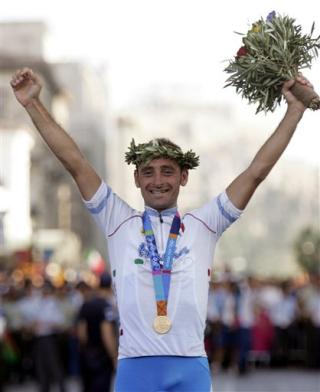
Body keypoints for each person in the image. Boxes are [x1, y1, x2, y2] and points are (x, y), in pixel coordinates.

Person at [10, 67, 314, 391]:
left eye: (167, 171)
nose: (158, 181)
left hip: (191, 369)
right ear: (136, 179)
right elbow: (75, 162)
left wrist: (294, 111)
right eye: (148, 172)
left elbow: (255, 172)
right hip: (134, 370)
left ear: (183, 177)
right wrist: (33, 104)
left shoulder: (204, 224)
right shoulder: (118, 220)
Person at [77, 272, 118, 392]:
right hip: (102, 357)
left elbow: (82, 334)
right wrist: (113, 356)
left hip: (87, 355)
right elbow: (107, 334)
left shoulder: (86, 304)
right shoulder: (106, 307)